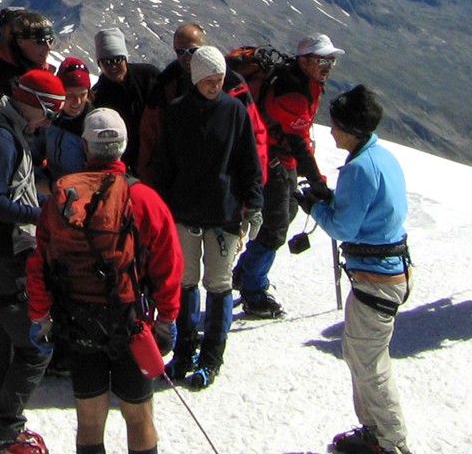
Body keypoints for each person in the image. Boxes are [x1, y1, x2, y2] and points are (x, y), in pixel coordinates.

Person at [28, 109, 183, 454]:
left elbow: (40, 260)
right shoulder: (143, 198)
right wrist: (168, 318)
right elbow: (168, 264)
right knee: (139, 415)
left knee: (89, 419)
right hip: (131, 321)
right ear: (123, 147)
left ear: (86, 147)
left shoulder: (64, 198)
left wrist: (40, 316)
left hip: (77, 318)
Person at [302, 85, 412, 454]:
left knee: (370, 363)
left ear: (350, 129)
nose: (331, 131)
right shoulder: (381, 157)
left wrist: (315, 209)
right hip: (388, 272)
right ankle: (375, 434)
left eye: (335, 126)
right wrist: (332, 201)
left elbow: (344, 229)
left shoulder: (360, 168)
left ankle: (391, 443)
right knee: (360, 354)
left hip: (375, 279)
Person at [148, 44, 262, 390]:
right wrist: (160, 209)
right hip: (184, 213)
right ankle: (184, 351)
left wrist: (253, 206)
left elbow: (248, 162)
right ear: (196, 77)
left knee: (218, 284)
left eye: (220, 79)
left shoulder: (235, 111)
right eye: (209, 79)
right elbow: (164, 163)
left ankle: (212, 356)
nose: (215, 85)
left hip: (223, 215)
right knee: (185, 283)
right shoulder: (177, 112)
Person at [0, 68, 66, 454]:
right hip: (5, 252)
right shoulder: (1, 139)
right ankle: (5, 427)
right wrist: (42, 213)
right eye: (51, 113)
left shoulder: (5, 128)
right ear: (35, 104)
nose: (49, 122)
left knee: (3, 335)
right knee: (35, 345)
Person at [237, 33, 342, 319]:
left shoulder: (303, 82)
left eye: (331, 60)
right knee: (276, 226)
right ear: (305, 61)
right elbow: (296, 140)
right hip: (274, 159)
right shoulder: (295, 91)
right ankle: (253, 290)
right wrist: (317, 181)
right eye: (322, 60)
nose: (328, 66)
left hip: (279, 156)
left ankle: (245, 271)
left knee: (288, 210)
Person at [136, 22, 209, 184]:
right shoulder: (165, 84)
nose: (186, 56)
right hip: (175, 177)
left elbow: (249, 134)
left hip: (215, 177)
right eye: (180, 52)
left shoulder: (227, 81)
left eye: (192, 51)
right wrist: (146, 175)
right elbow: (149, 133)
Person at [0, 10, 56, 135]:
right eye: (40, 42)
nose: (48, 47)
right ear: (20, 42)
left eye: (50, 41)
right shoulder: (6, 79)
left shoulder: (29, 66)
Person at [89, 29, 162, 172]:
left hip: (156, 155)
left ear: (125, 59)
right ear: (99, 64)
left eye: (117, 60)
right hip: (123, 164)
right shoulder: (98, 95)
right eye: (106, 62)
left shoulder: (149, 77)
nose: (113, 66)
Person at [42, 56, 95, 182]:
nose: (76, 102)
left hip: (76, 192)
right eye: (70, 95)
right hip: (50, 181)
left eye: (83, 94)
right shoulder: (51, 116)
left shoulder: (92, 125)